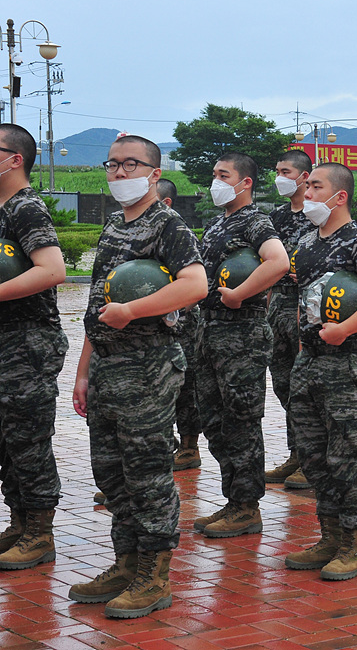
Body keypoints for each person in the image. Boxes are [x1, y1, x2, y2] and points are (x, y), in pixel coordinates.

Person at [68, 135, 207, 618]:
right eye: (113, 164)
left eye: (132, 164)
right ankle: (125, 562)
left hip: (148, 364)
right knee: (111, 471)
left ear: (153, 172)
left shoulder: (166, 224)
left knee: (147, 471)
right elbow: (98, 307)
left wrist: (132, 310)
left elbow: (196, 284)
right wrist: (84, 371)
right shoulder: (112, 226)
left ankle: (153, 572)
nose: (120, 173)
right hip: (107, 365)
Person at [285, 162, 357, 580]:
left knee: (347, 458)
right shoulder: (307, 242)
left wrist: (347, 329)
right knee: (314, 457)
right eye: (308, 185)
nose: (307, 191)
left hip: (345, 364)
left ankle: (354, 544)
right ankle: (329, 535)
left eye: (316, 186)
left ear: (340, 196)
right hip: (309, 362)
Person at [193, 152, 290, 537]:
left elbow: (277, 262)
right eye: (214, 173)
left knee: (241, 421)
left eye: (223, 174)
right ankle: (233, 499)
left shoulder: (254, 221)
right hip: (210, 332)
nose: (215, 180)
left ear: (245, 182)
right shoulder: (218, 224)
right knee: (215, 422)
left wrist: (240, 294)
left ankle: (247, 506)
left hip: (241, 334)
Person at [0, 124, 68, 570]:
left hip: (28, 343)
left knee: (27, 438)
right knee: (6, 441)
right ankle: (20, 520)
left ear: (13, 159)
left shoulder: (26, 208)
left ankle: (40, 532)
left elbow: (52, 270)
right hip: (5, 341)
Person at [265, 150, 315, 488]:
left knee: (307, 387)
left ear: (304, 176)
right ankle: (297, 453)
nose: (280, 177)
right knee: (284, 384)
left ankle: (313, 461)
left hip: (308, 306)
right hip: (278, 306)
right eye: (278, 171)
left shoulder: (317, 215)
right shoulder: (276, 217)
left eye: (286, 171)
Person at [152, 178, 204, 472]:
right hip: (146, 325)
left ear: (166, 202)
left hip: (180, 323)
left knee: (184, 386)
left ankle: (188, 447)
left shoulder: (178, 234)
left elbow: (193, 285)